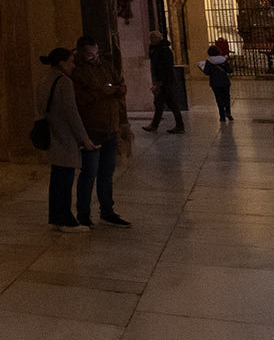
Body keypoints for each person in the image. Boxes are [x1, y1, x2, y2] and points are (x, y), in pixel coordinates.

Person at [70, 35, 131, 228]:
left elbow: (120, 85)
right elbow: (80, 99)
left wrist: (116, 89)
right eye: (90, 54)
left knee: (107, 173)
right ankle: (83, 214)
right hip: (92, 129)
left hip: (110, 127)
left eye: (96, 53)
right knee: (89, 173)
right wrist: (103, 92)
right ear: (80, 53)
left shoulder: (106, 66)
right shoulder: (77, 73)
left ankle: (107, 211)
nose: (94, 57)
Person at [39, 48, 96, 232]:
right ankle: (66, 220)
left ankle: (55, 218)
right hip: (65, 136)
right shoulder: (64, 82)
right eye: (71, 62)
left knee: (56, 180)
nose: (73, 66)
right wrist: (85, 139)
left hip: (51, 134)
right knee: (64, 180)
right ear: (62, 63)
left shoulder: (44, 80)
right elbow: (72, 114)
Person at [142, 30, 183, 134]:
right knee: (160, 103)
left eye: (153, 38)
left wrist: (160, 82)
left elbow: (165, 68)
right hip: (163, 81)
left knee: (170, 103)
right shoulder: (156, 49)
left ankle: (179, 125)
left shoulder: (164, 50)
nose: (151, 41)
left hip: (166, 81)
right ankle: (155, 125)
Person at [200, 44, 233, 121]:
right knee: (226, 97)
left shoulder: (209, 61)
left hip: (215, 82)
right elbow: (229, 70)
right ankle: (228, 113)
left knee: (219, 99)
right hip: (225, 81)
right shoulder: (223, 60)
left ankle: (222, 116)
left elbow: (207, 72)